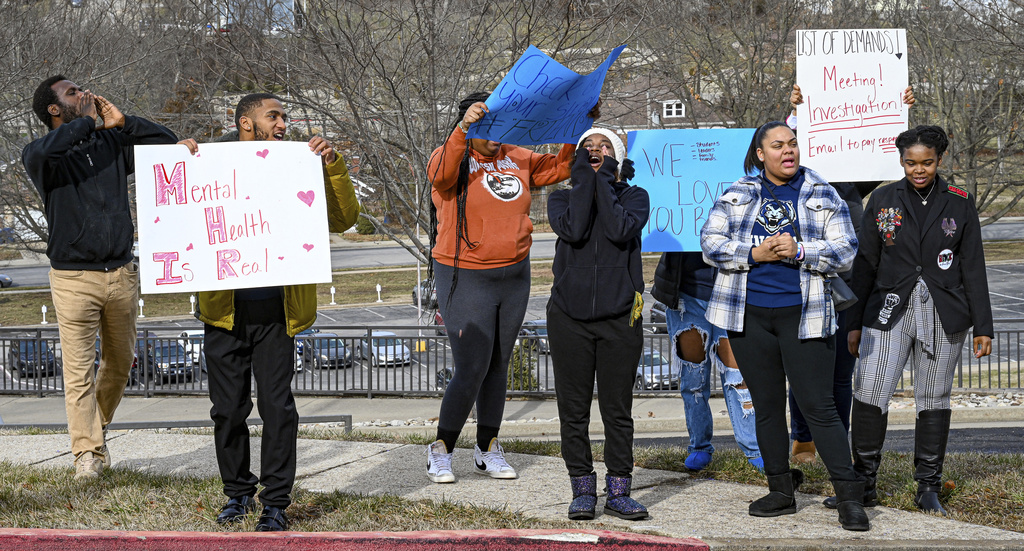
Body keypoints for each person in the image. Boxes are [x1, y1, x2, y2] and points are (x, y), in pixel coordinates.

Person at [183, 93, 360, 531]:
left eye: (285, 117)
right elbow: (175, 214)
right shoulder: (209, 163)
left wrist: (332, 166)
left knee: (278, 408)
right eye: (274, 116)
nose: (283, 123)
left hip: (280, 311)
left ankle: (276, 502)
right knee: (227, 409)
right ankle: (237, 495)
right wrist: (178, 164)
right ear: (246, 122)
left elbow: (343, 219)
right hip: (223, 313)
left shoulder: (300, 163)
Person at [700, 121, 869, 531]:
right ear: (761, 153)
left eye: (792, 144)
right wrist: (753, 252)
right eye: (777, 145)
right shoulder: (739, 192)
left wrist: (801, 250)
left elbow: (846, 250)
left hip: (805, 315)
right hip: (748, 315)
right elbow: (710, 242)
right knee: (768, 407)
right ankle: (780, 491)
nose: (787, 151)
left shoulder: (822, 191)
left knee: (819, 407)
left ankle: (850, 498)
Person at [22, 75, 178, 480]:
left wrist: (124, 123)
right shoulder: (43, 155)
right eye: (73, 92)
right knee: (78, 372)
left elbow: (166, 141)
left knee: (121, 362)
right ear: (55, 109)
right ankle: (86, 457)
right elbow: (49, 147)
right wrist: (88, 122)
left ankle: (95, 432)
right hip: (74, 278)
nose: (84, 94)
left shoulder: (110, 145)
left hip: (121, 272)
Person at [423, 92, 578, 483]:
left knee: (497, 364)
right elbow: (438, 176)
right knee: (472, 364)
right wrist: (462, 130)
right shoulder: (452, 158)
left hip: (513, 276)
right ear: (471, 126)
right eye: (488, 126)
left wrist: (575, 122)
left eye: (503, 126)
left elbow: (562, 166)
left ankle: (488, 447)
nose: (497, 135)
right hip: (464, 273)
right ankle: (441, 448)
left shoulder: (518, 157)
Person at [848, 125, 992, 516]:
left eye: (927, 162)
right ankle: (863, 482)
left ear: (940, 160)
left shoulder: (960, 202)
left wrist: (984, 326)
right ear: (900, 161)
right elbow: (865, 264)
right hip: (888, 309)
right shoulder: (881, 199)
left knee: (933, 397)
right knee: (870, 390)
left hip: (944, 313)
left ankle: (928, 486)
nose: (919, 170)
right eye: (910, 162)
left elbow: (973, 266)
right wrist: (855, 323)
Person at [784, 84, 916, 465]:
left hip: (846, 284)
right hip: (802, 282)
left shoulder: (850, 185)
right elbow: (780, 144)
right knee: (805, 370)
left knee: (842, 372)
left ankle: (836, 444)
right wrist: (797, 112)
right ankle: (803, 440)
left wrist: (897, 108)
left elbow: (883, 158)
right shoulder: (790, 182)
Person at [547, 128, 650, 520]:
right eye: (587, 148)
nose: (595, 152)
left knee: (616, 409)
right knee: (573, 410)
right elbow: (573, 229)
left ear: (618, 159)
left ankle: (619, 490)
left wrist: (605, 178)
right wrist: (585, 182)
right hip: (568, 319)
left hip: (619, 319)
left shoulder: (634, 197)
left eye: (604, 147)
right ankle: (582, 489)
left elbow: (619, 228)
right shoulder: (561, 199)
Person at [651, 252, 762, 472]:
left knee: (738, 376)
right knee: (693, 376)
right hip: (686, 291)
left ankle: (754, 449)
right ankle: (699, 446)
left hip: (733, 289)